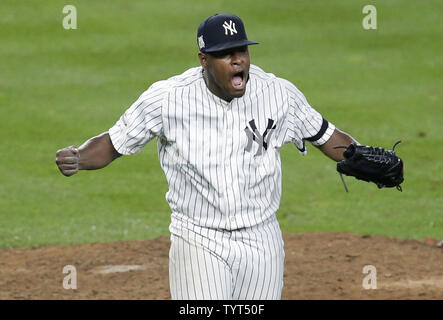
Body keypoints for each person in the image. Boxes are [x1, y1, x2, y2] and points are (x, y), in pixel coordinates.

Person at [56, 13, 358, 300]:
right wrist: (79, 157)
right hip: (199, 236)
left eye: (241, 50)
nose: (238, 60)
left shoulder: (278, 94)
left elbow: (325, 136)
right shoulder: (168, 99)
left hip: (262, 237)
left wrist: (362, 155)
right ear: (204, 60)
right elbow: (113, 143)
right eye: (226, 54)